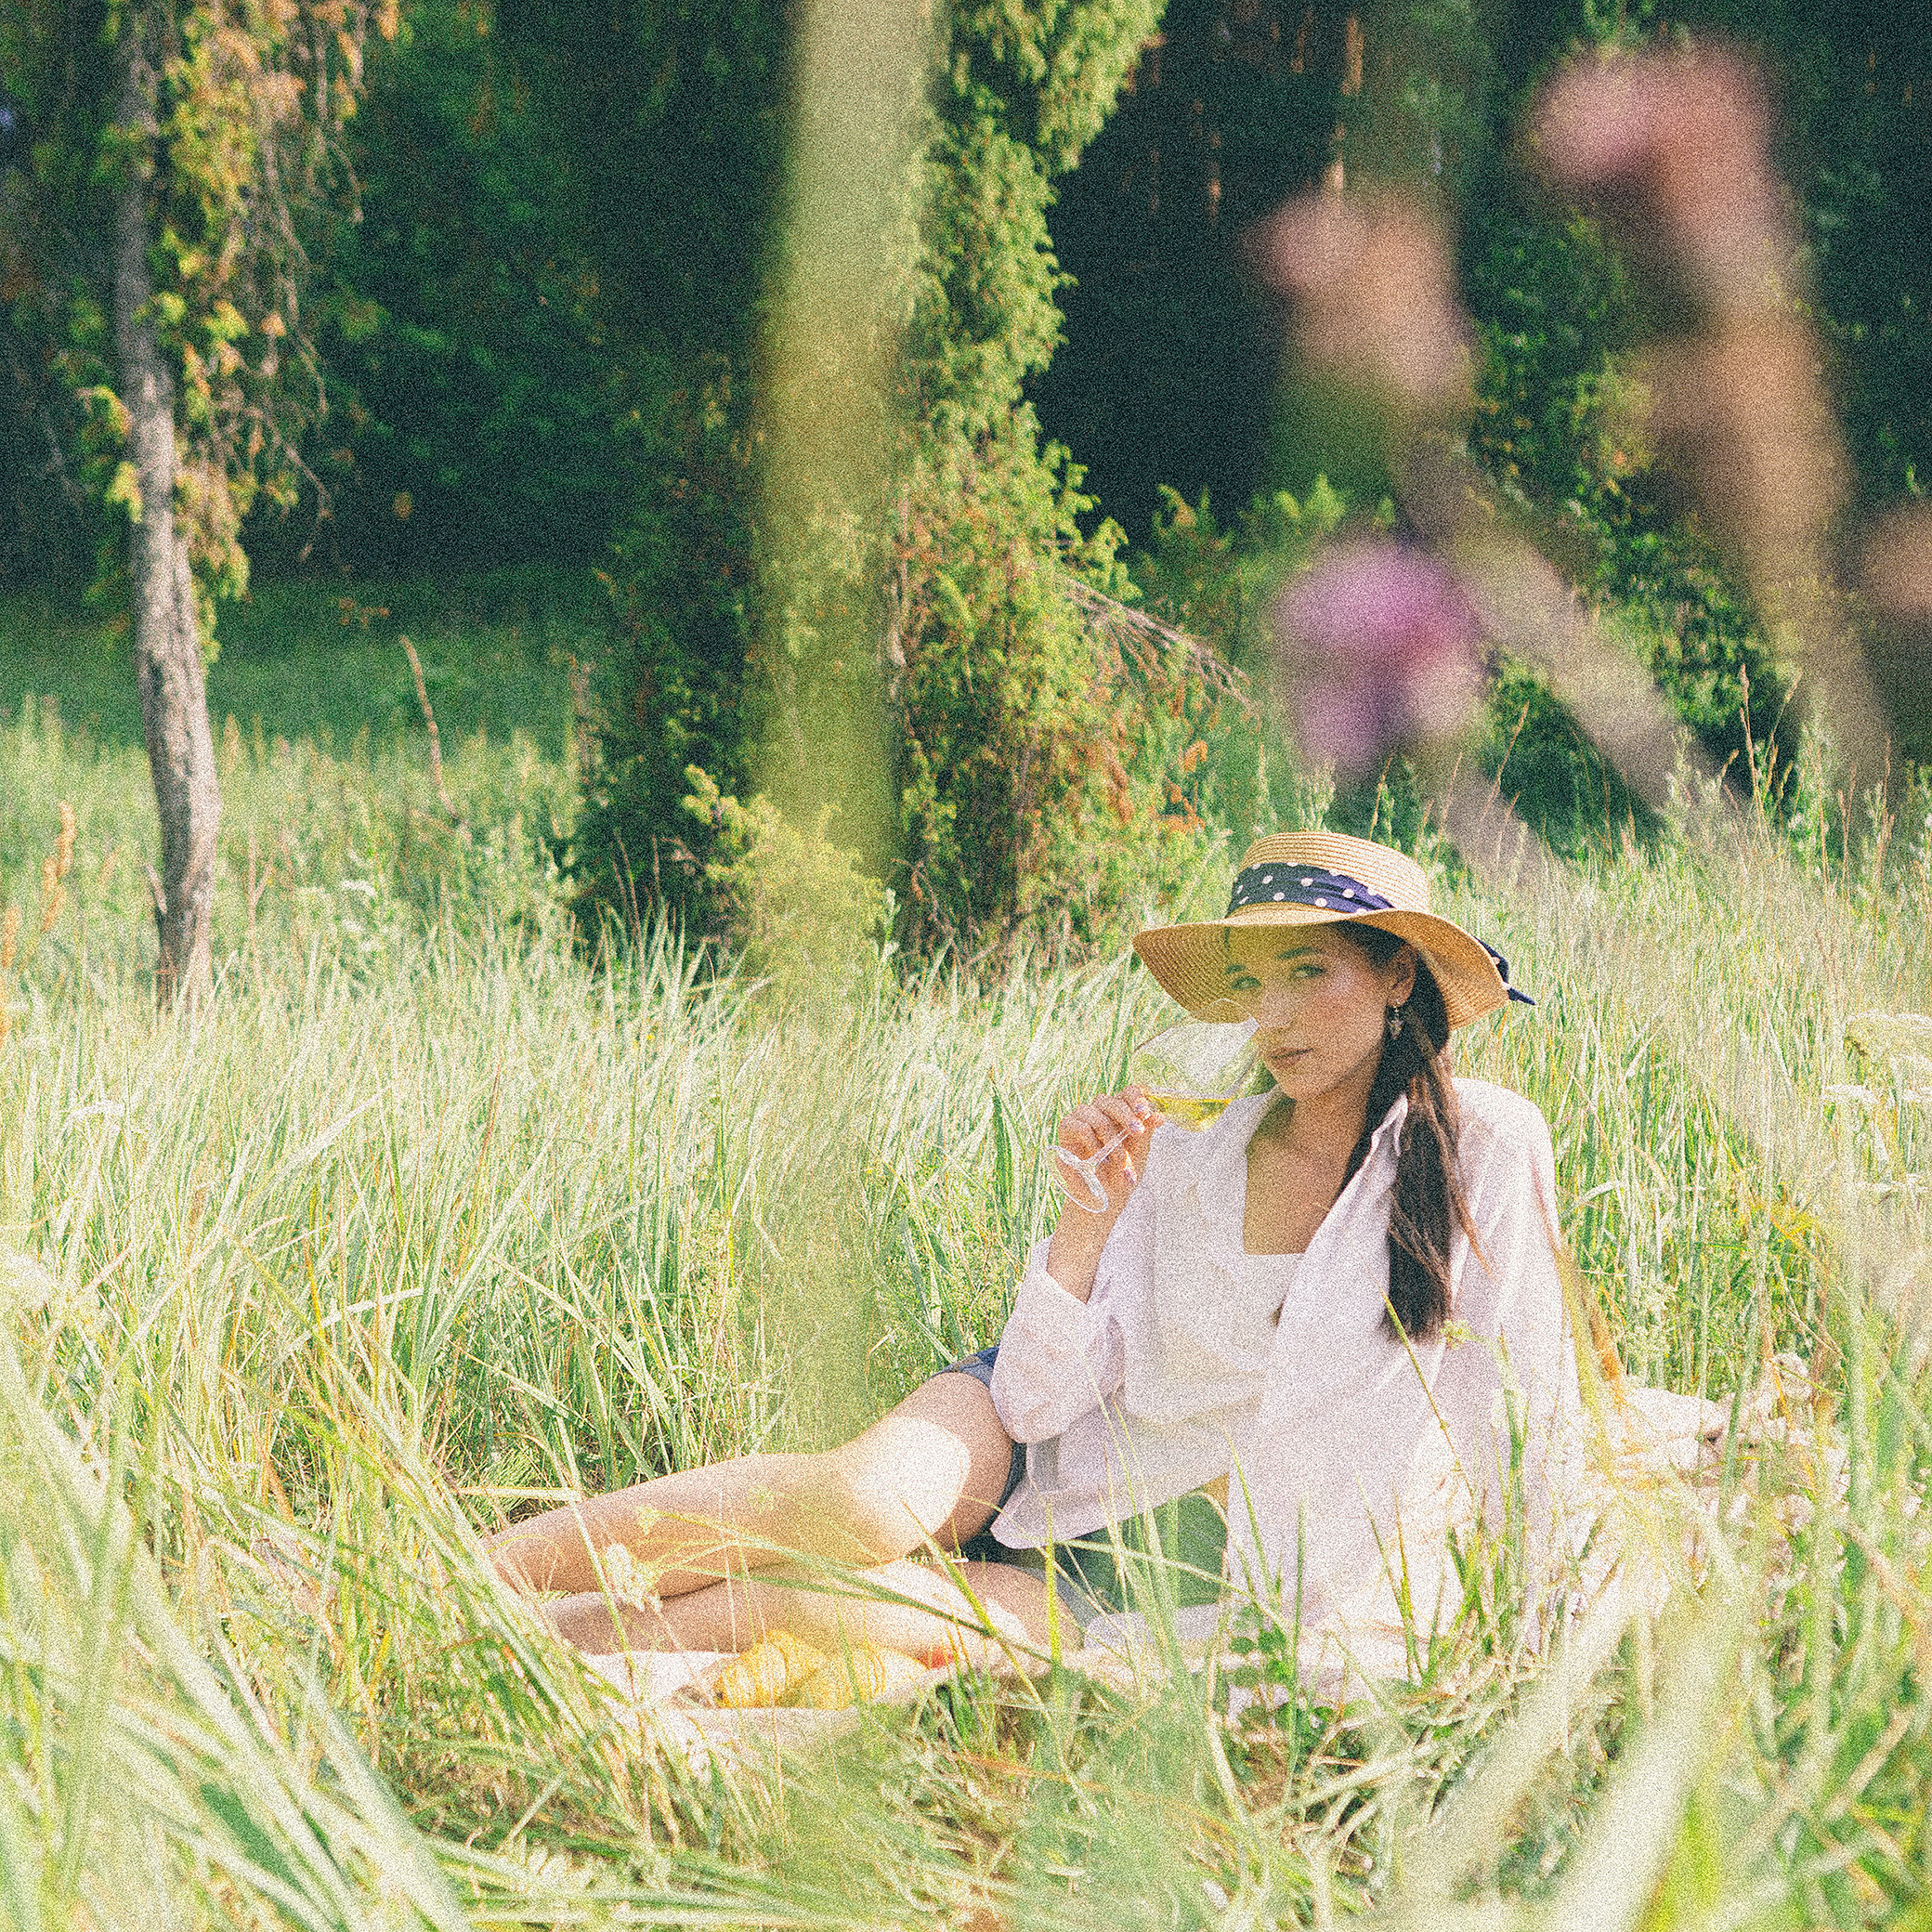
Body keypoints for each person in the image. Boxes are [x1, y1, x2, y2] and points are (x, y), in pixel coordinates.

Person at [486, 829, 1577, 1664]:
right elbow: (1039, 1398)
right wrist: (1086, 1221)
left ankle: (507, 1644)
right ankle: (459, 1575)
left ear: (1396, 978)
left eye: (1310, 972)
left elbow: (1522, 1393)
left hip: (1158, 1576)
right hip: (1032, 1430)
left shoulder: (1480, 1146)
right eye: (1252, 983)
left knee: (816, 1611)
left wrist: (1535, 1619)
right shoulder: (1192, 1150)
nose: (1272, 1016)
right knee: (858, 1508)